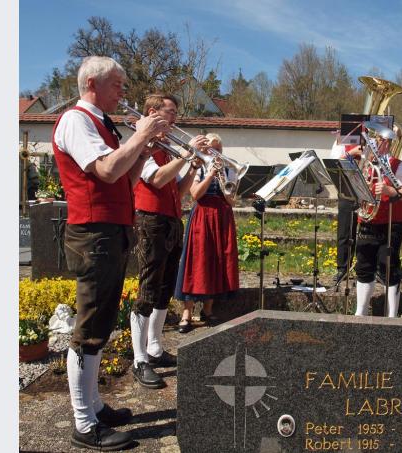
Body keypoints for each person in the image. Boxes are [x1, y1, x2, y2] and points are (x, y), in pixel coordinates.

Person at [52, 55, 170, 450]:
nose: (123, 91)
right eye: (117, 84)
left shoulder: (102, 124)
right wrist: (139, 136)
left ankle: (95, 405)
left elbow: (124, 177)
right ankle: (84, 423)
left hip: (111, 232)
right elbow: (102, 171)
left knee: (101, 324)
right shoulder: (76, 120)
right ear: (92, 85)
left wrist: (143, 147)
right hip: (93, 233)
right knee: (89, 329)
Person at [129, 94, 202, 389]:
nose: (174, 119)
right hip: (150, 220)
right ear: (151, 113)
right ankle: (139, 359)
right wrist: (186, 156)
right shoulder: (142, 146)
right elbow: (156, 180)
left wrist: (195, 166)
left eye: (174, 113)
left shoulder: (168, 149)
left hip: (171, 220)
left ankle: (155, 348)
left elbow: (179, 190)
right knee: (147, 290)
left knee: (163, 289)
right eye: (169, 112)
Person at [174, 132, 239, 332]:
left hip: (222, 216)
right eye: (211, 149)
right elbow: (195, 194)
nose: (215, 153)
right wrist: (210, 173)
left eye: (218, 149)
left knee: (217, 261)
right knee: (197, 261)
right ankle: (186, 313)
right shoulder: (199, 166)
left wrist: (222, 178)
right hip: (202, 215)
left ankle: (208, 310)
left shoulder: (229, 169)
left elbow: (231, 200)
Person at [353, 136, 402, 317]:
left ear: (387, 143)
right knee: (363, 267)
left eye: (377, 141)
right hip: (367, 220)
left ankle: (392, 315)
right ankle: (361, 311)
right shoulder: (364, 165)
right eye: (369, 141)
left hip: (392, 223)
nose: (370, 145)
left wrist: (391, 191)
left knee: (389, 267)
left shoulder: (398, 165)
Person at [329, 141, 362, 287]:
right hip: (347, 189)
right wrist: (351, 153)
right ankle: (343, 268)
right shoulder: (341, 142)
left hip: (371, 187)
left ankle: (366, 268)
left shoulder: (375, 140)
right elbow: (334, 164)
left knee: (368, 233)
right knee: (344, 231)